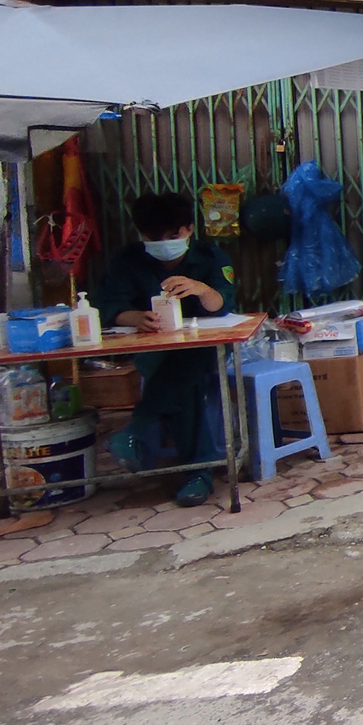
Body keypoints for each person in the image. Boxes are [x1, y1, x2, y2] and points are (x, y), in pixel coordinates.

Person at [96, 190, 237, 506]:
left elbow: (224, 304)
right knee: (184, 382)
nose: (164, 242)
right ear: (141, 235)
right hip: (152, 349)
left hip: (206, 349)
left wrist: (202, 290)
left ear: (188, 230)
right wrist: (134, 317)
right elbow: (108, 305)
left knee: (189, 362)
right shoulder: (126, 261)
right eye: (153, 237)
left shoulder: (211, 257)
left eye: (173, 235)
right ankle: (197, 474)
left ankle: (138, 429)